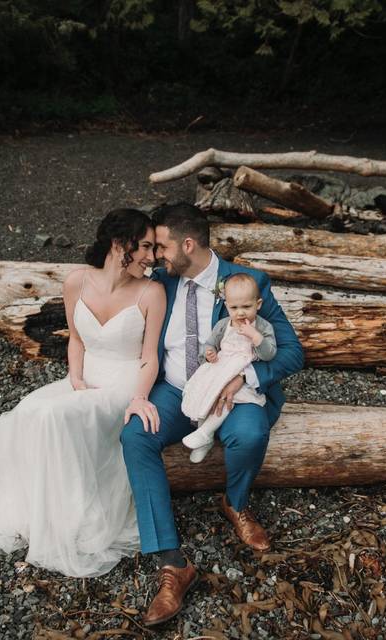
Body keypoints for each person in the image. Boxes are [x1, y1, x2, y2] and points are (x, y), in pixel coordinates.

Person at [121, 203, 304, 626]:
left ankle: (235, 503)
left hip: (230, 394)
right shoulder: (161, 281)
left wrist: (246, 378)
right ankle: (172, 562)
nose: (156, 256)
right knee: (134, 437)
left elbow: (294, 352)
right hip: (174, 391)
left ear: (188, 244)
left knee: (252, 434)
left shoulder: (247, 283)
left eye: (162, 246)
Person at [0, 209, 166, 578]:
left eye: (154, 249)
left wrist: (140, 398)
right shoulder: (76, 281)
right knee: (27, 410)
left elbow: (149, 357)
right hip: (84, 380)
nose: (152, 257)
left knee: (54, 416)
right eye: (144, 247)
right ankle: (45, 512)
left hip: (124, 385)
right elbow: (76, 340)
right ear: (118, 244)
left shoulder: (151, 292)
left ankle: (78, 519)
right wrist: (75, 380)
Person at [181, 273, 277, 463]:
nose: (240, 313)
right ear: (227, 306)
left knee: (226, 397)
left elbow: (269, 354)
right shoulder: (223, 325)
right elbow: (210, 343)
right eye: (234, 307)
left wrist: (255, 336)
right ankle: (204, 438)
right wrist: (210, 352)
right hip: (220, 367)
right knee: (205, 394)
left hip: (240, 372)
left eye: (246, 307)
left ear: (258, 304)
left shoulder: (263, 326)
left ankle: (206, 431)